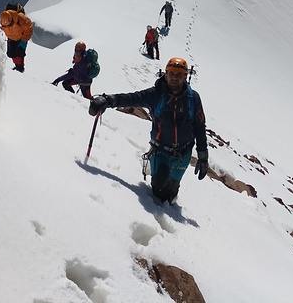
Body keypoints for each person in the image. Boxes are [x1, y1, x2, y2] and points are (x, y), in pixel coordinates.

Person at [89, 57, 208, 204]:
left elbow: (199, 126)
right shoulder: (156, 94)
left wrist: (203, 156)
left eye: (179, 75)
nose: (174, 78)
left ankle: (170, 204)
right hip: (161, 150)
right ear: (165, 74)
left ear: (185, 76)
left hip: (184, 154)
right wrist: (108, 100)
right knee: (159, 188)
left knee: (171, 192)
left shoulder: (193, 98)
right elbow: (133, 98)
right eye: (171, 73)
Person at [0, 2, 33, 72]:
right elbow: (29, 28)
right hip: (16, 38)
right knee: (14, 53)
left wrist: (24, 40)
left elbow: (29, 28)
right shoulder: (8, 17)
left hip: (17, 38)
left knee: (16, 53)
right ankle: (19, 66)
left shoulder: (17, 17)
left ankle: (19, 67)